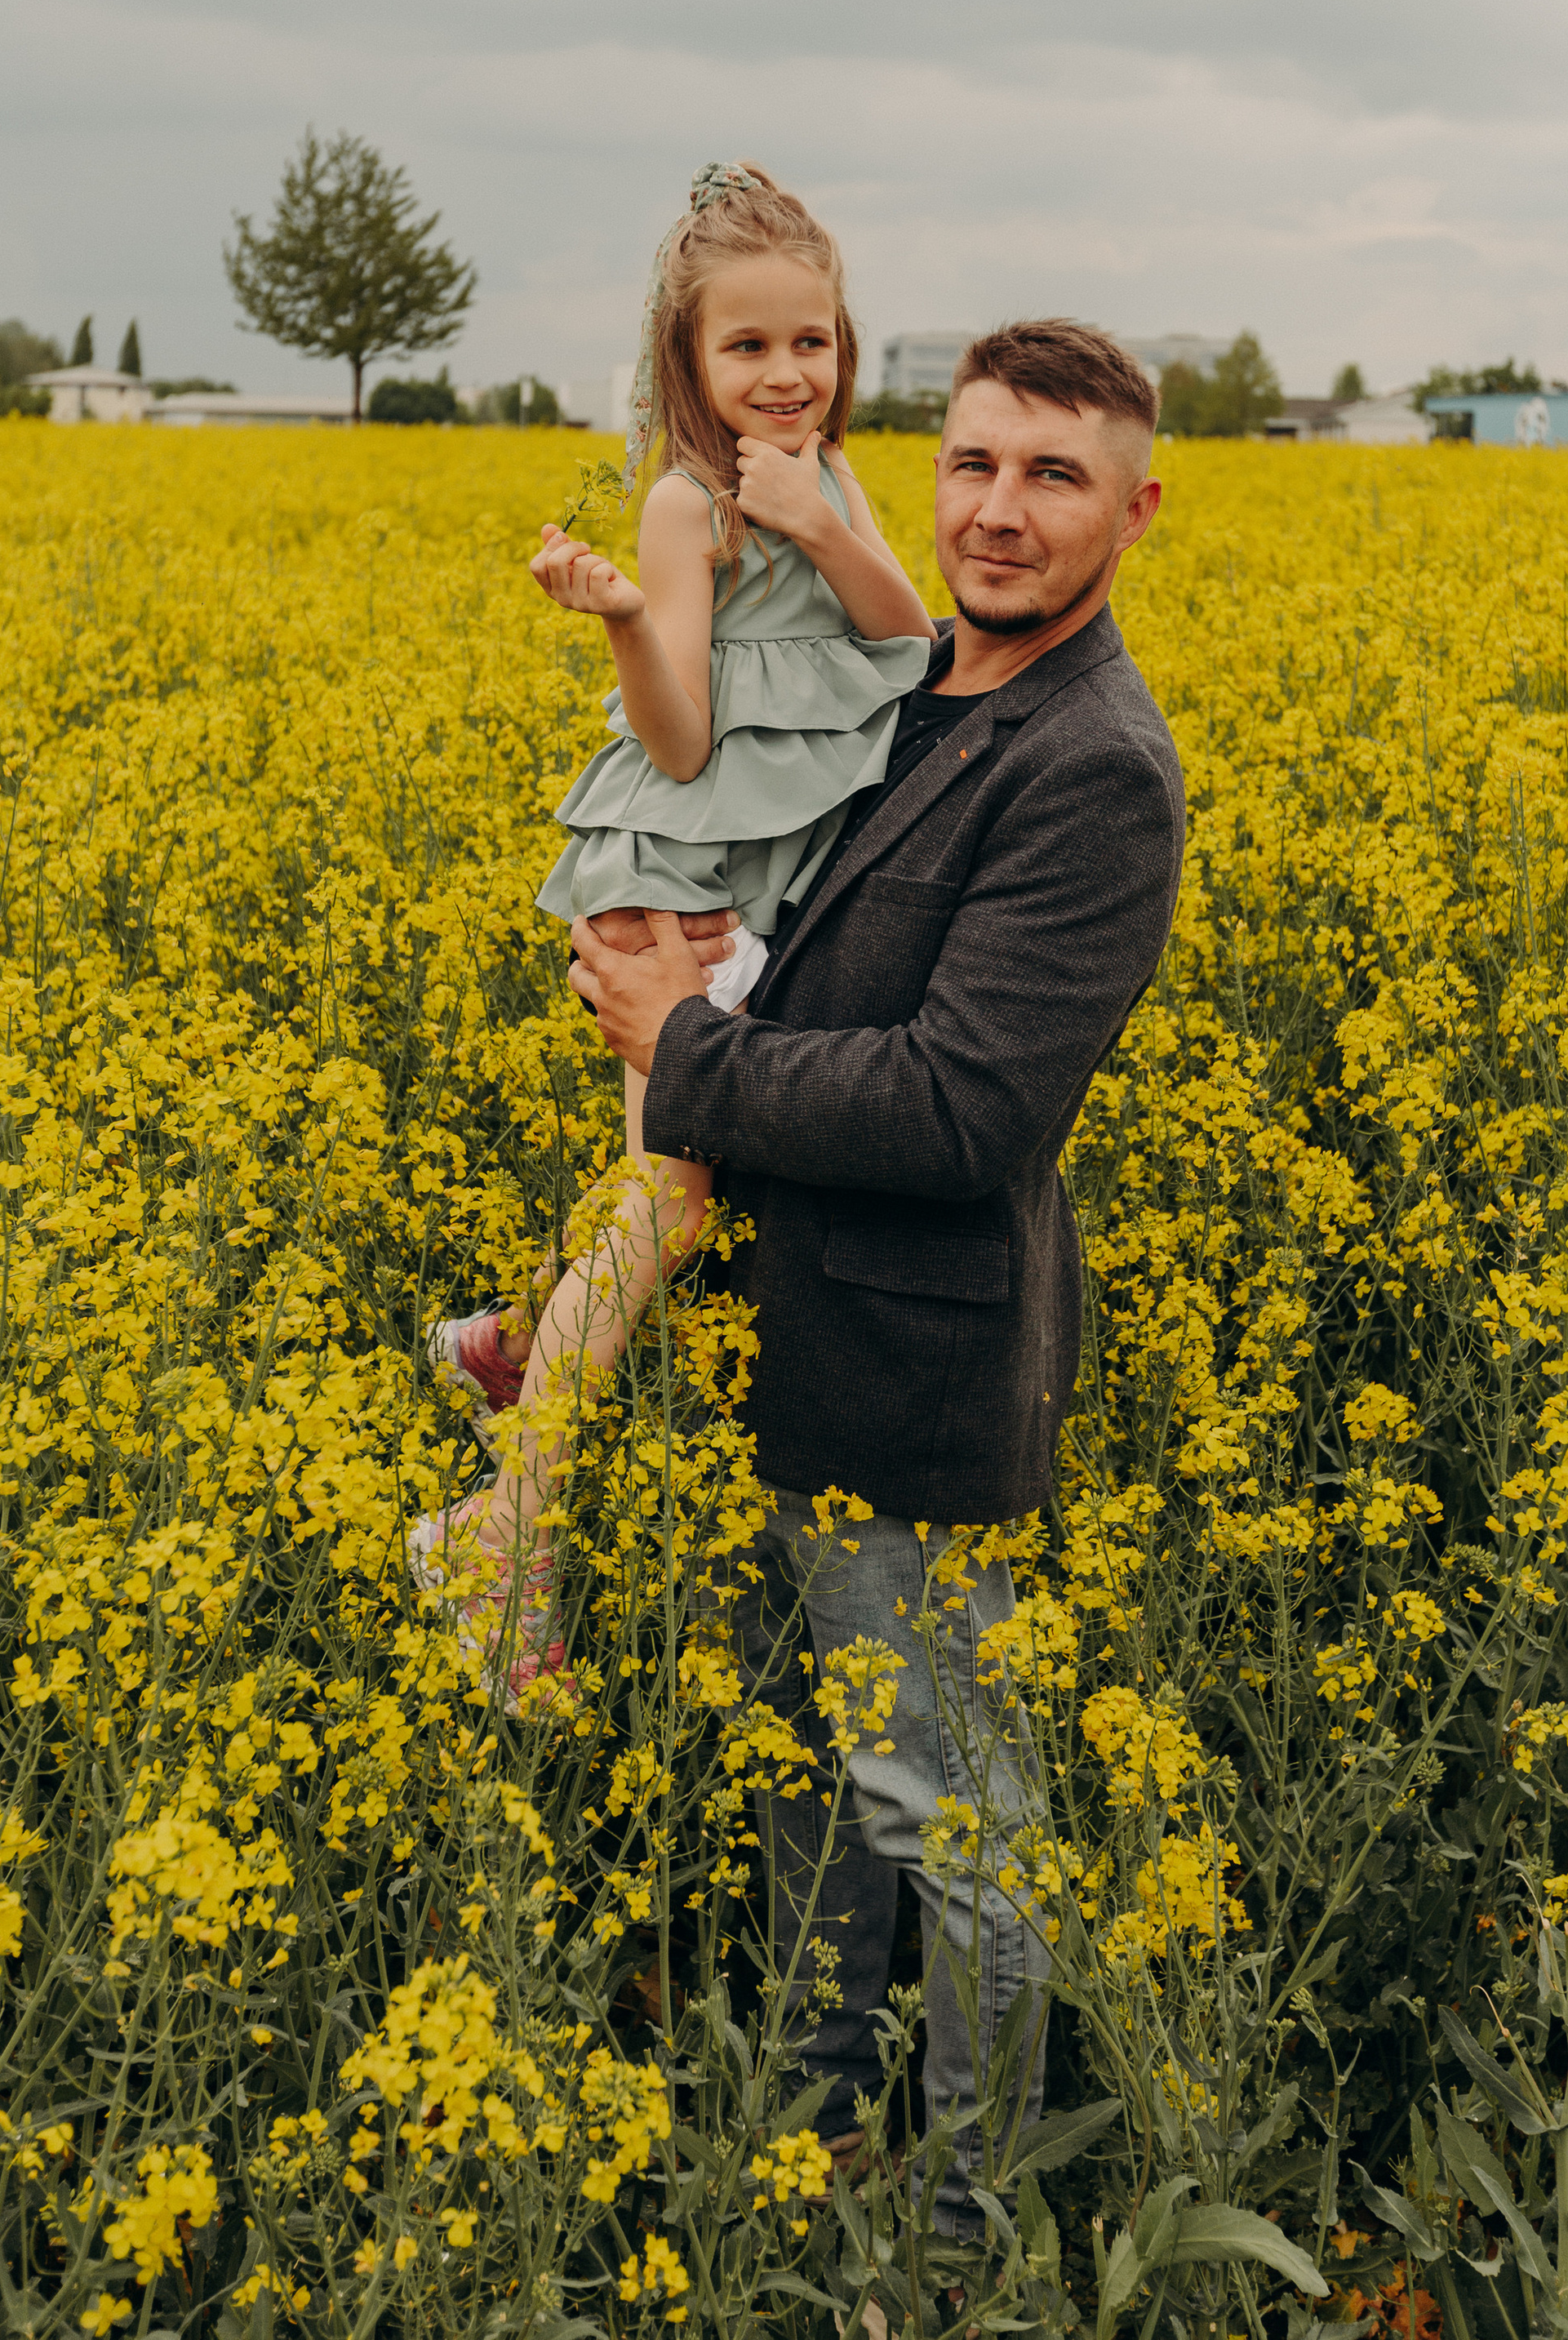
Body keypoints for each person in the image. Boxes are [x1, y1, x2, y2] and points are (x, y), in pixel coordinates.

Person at [571, 319, 1186, 2239]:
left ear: (1133, 508)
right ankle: (811, 2133)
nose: (1001, 510)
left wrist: (681, 1041)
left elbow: (958, 1110)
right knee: (814, 1798)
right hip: (775, 1332)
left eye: (1054, 473)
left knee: (953, 1826)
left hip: (910, 1379)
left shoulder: (1096, 770)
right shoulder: (904, 681)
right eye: (976, 464)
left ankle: (965, 2233)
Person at [408, 162, 935, 1685]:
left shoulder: (830, 481)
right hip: (675, 876)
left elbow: (909, 642)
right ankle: (499, 1536)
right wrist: (638, 618)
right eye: (748, 350)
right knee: (680, 1204)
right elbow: (688, 741)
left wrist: (828, 528)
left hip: (758, 885)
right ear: (688, 367)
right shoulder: (682, 502)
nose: (786, 376)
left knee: (669, 1188)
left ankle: (515, 1341)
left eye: (813, 344)